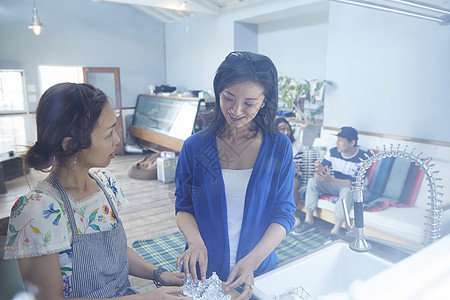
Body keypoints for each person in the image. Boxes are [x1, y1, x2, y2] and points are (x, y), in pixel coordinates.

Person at [3, 83, 190, 299]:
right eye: (109, 133)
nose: (117, 140)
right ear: (70, 145)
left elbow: (116, 255)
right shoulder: (38, 212)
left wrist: (160, 274)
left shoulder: (105, 184)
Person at [175, 51, 296, 300]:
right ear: (218, 92)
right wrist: (195, 242)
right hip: (202, 272)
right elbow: (183, 206)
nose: (236, 110)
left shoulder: (279, 147)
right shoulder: (195, 147)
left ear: (265, 101)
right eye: (228, 98)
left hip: (259, 270)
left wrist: (252, 261)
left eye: (249, 103)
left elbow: (284, 213)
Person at [292, 126, 366, 240]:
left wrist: (330, 180)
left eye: (341, 140)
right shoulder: (333, 152)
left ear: (352, 142)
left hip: (354, 189)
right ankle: (309, 220)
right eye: (337, 140)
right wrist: (318, 171)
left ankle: (336, 230)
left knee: (346, 190)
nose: (337, 143)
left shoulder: (363, 157)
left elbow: (354, 184)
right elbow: (321, 173)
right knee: (313, 181)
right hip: (336, 186)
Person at [274, 118, 303, 220]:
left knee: (293, 183)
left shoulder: (296, 146)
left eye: (288, 129)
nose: (286, 132)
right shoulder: (272, 144)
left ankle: (293, 216)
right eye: (282, 129)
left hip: (294, 174)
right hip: (276, 174)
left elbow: (297, 166)